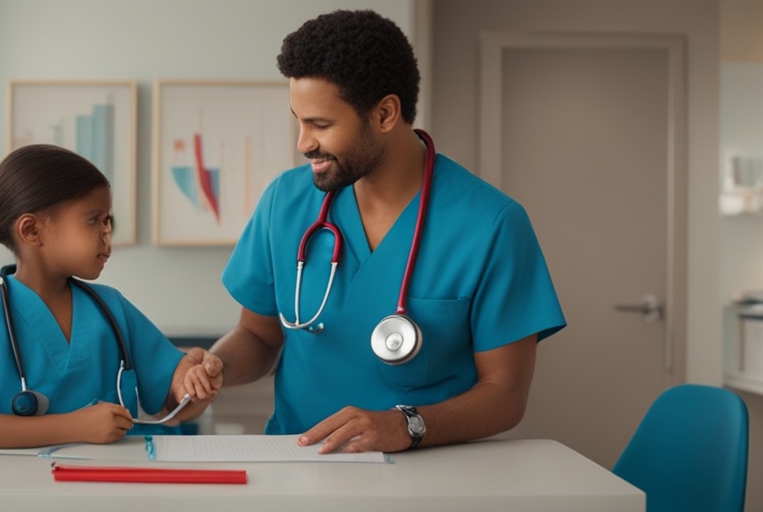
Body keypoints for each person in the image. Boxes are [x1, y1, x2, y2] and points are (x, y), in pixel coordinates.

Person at [209, 10, 566, 454]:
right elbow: (260, 337)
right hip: (296, 462)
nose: (303, 143)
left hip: (427, 473)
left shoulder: (491, 225)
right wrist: (214, 367)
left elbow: (505, 395)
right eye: (299, 121)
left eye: (320, 125)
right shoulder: (285, 202)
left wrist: (406, 426)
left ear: (384, 114)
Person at [0, 144, 222, 448]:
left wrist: (193, 386)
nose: (106, 234)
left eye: (108, 222)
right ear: (32, 230)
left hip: (113, 485)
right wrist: (75, 427)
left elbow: (173, 403)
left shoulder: (112, 308)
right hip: (17, 489)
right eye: (93, 220)